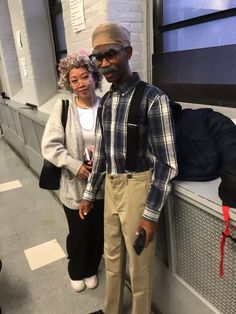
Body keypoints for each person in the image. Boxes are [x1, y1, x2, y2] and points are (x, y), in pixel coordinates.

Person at [79, 22, 178, 314]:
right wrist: (88, 193)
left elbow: (167, 162)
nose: (104, 63)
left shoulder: (153, 98)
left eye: (111, 54)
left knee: (139, 266)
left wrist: (150, 214)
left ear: (128, 52)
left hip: (138, 188)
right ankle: (111, 310)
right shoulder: (106, 101)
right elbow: (101, 155)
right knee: (110, 257)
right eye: (98, 57)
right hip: (111, 186)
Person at [41, 52, 104, 292]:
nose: (81, 84)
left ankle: (91, 268)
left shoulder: (106, 105)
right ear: (68, 84)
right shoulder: (64, 106)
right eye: (74, 80)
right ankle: (77, 269)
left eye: (85, 77)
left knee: (97, 233)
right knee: (78, 233)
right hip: (74, 186)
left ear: (93, 76)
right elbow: (50, 145)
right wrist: (74, 165)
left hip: (101, 185)